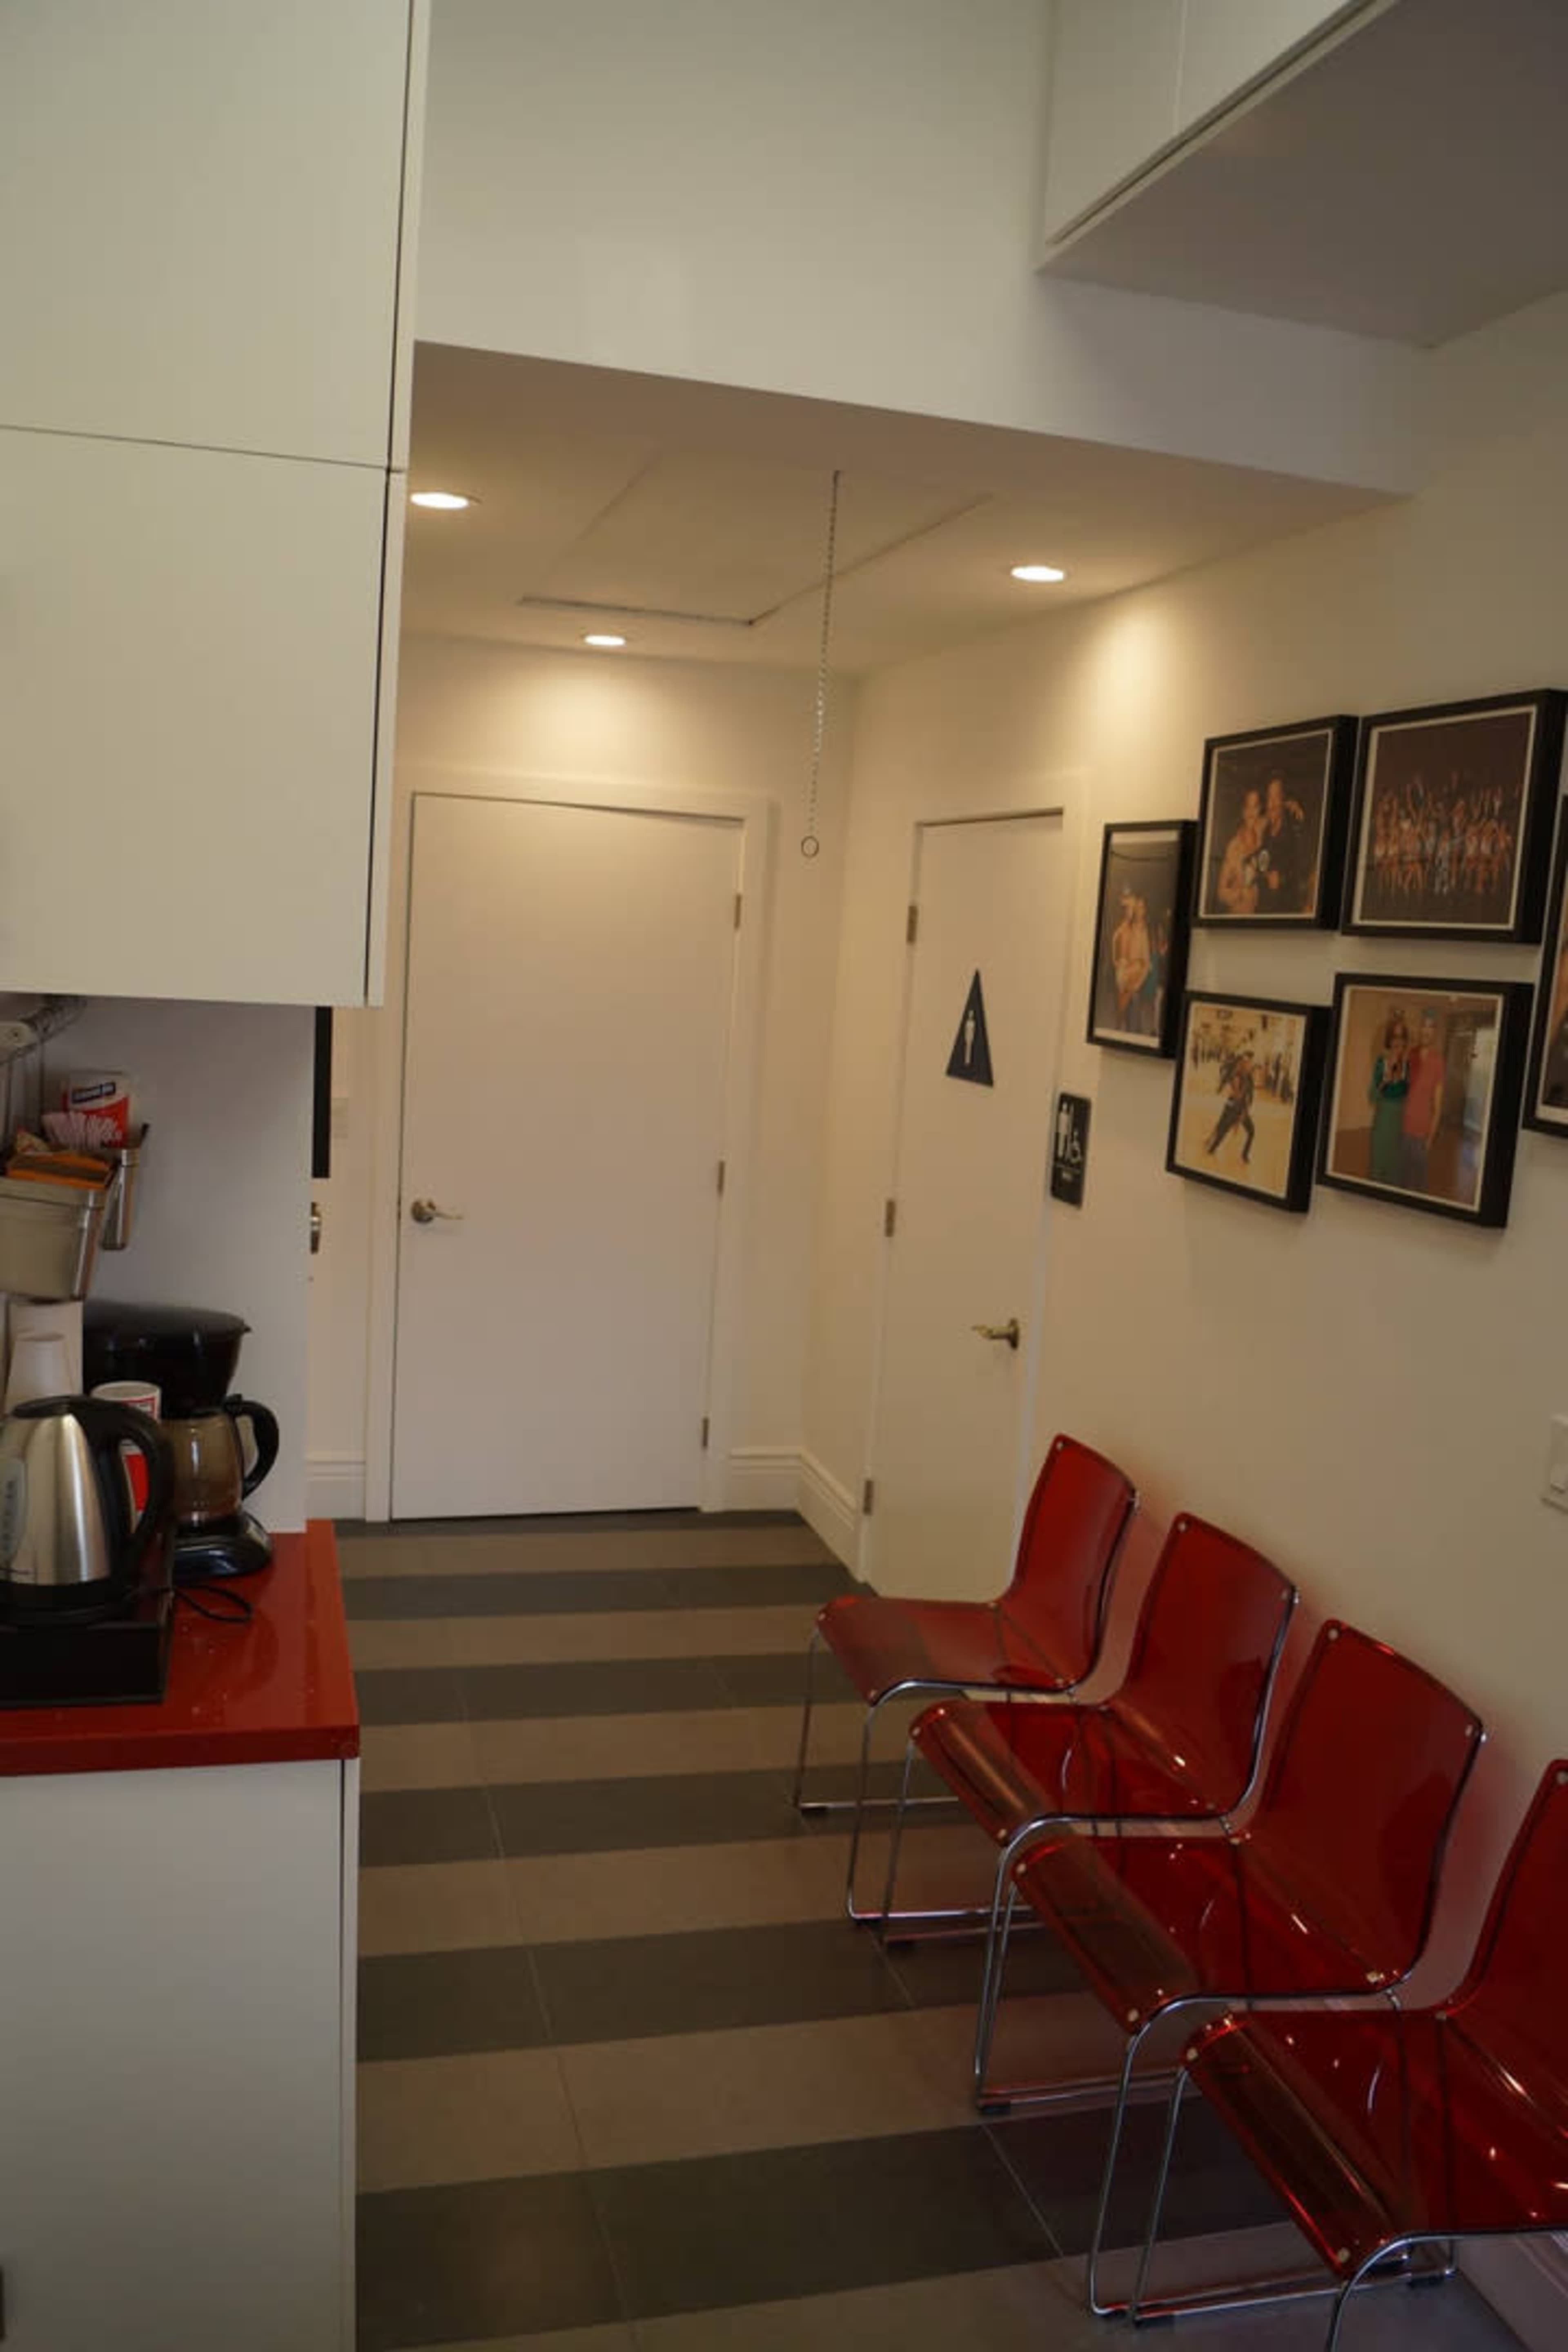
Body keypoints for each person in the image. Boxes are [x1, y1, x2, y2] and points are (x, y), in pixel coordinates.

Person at [1400, 1009, 1446, 1190]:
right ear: (1419, 1029)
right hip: (1403, 1129)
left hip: (1422, 1134)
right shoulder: (1410, 1056)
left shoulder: (1438, 1062)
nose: (1426, 1031)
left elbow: (1438, 1106)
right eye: (1424, 1026)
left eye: (1431, 1027)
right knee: (1402, 1180)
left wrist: (1430, 1139)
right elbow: (1400, 1091)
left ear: (1435, 1032)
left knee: (1419, 1184)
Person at [1254, 773, 1312, 913]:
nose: (1273, 803)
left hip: (1286, 908)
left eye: (1277, 797)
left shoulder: (1294, 829)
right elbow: (1259, 867)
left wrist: (1283, 879)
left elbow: (1304, 867)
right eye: (1270, 797)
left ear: (1285, 800)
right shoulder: (1265, 831)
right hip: (1264, 907)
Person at [1368, 1012, 1410, 1184]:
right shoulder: (1380, 1062)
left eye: (1401, 1037)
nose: (1398, 1041)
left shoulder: (1408, 1066)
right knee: (1378, 1164)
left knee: (1395, 1167)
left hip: (1399, 1122)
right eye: (1394, 1037)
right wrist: (1385, 1080)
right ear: (1389, 1040)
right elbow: (1372, 1097)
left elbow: (1408, 1095)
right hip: (1383, 1119)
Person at [1205, 1049, 1256, 1166]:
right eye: (1247, 1063)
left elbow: (1250, 1095)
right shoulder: (1237, 1076)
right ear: (1243, 1065)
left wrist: (1246, 1109)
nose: (1250, 1065)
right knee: (1224, 1129)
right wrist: (1239, 1118)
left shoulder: (1249, 1077)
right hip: (1234, 1108)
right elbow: (1237, 1096)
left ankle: (1244, 1155)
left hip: (1241, 1109)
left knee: (1251, 1132)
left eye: (1250, 1063)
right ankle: (1212, 1148)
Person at [1110, 887, 1152, 1031]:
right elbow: (1115, 938)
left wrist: (1140, 976)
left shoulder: (1143, 929)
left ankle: (1122, 1026)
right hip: (1126, 969)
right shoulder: (1129, 926)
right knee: (1123, 1001)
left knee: (1129, 1004)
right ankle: (1119, 1026)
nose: (1138, 910)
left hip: (1136, 971)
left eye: (1141, 908)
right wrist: (1116, 960)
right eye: (1136, 908)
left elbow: (1145, 958)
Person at [1216, 788, 1263, 915]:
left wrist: (1290, 804)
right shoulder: (1234, 846)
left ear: (1260, 809)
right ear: (1243, 811)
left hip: (1262, 919)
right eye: (1248, 807)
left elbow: (1276, 811)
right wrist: (1238, 894)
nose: (1251, 813)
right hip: (1239, 916)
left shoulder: (1265, 837)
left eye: (1255, 807)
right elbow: (1221, 892)